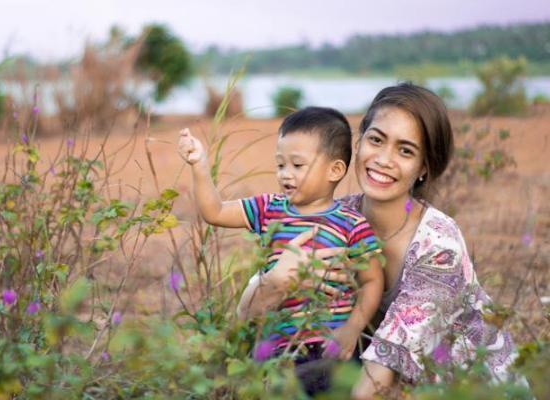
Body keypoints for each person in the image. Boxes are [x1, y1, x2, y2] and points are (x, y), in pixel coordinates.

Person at [237, 84, 524, 399]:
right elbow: (246, 318)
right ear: (358, 144)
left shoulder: (439, 246)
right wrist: (274, 281)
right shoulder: (335, 218)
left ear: (424, 168)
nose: (384, 159)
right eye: (376, 140)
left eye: (405, 150)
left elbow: (375, 382)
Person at [178, 107, 384, 377]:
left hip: (330, 349)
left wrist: (353, 328)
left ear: (334, 170)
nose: (285, 174)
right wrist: (200, 167)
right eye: (280, 164)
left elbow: (372, 280)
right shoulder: (269, 209)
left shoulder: (352, 223)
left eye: (297, 165)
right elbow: (214, 212)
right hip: (276, 351)